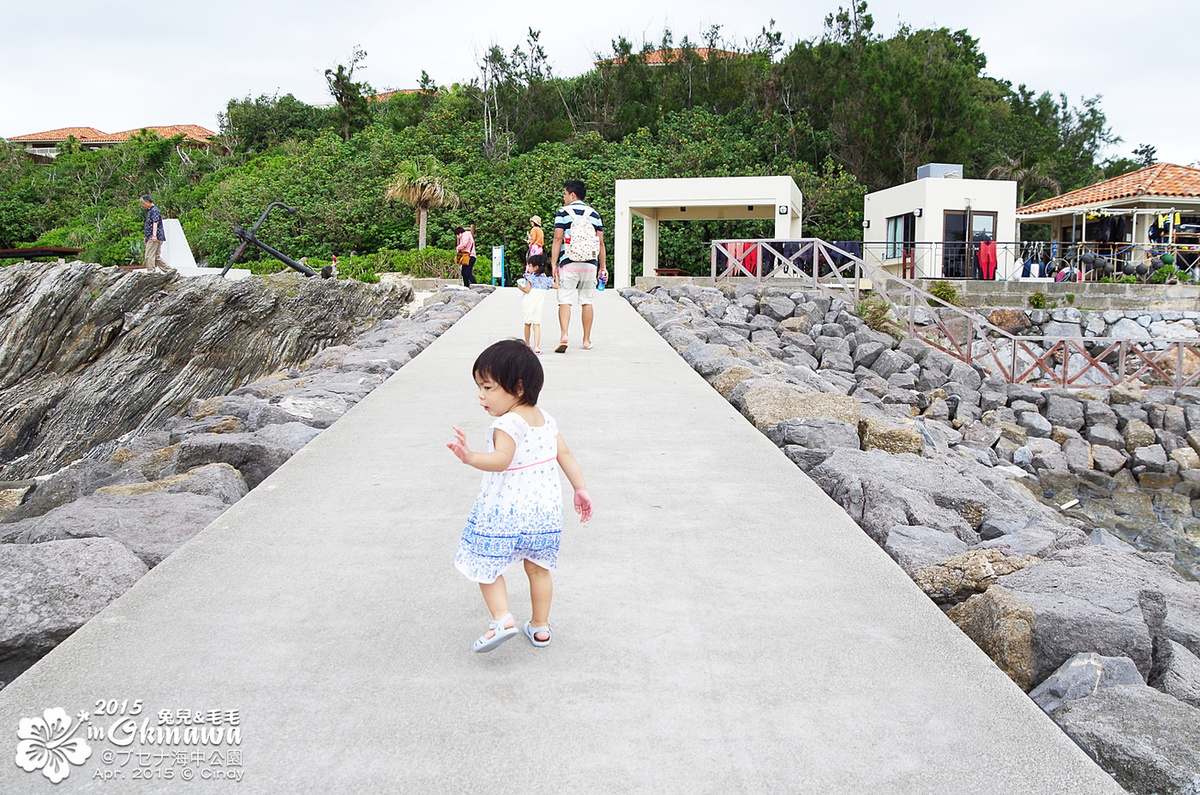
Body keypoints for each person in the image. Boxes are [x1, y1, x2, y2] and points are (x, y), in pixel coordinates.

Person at [447, 340, 593, 652]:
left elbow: (501, 460)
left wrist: (470, 456)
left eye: (488, 387)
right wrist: (580, 489)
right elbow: (563, 452)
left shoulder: (507, 423)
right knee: (539, 569)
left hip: (506, 513)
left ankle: (502, 619)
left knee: (484, 564)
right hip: (545, 515)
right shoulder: (544, 418)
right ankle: (540, 627)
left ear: (518, 386)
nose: (480, 395)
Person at [550, 180, 607, 353]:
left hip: (569, 262)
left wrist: (553, 263)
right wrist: (602, 267)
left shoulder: (562, 213)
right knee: (587, 301)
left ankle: (564, 335)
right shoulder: (595, 214)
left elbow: (558, 238)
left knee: (565, 300)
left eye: (565, 194)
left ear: (572, 194)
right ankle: (586, 340)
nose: (564, 198)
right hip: (589, 264)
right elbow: (601, 243)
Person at [517, 254, 553, 354]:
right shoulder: (546, 280)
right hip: (538, 306)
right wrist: (556, 275)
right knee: (536, 325)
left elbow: (527, 290)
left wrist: (520, 288)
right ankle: (537, 346)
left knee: (527, 324)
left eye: (530, 265)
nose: (528, 267)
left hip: (528, 304)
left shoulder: (530, 278)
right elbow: (556, 285)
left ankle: (527, 344)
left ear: (536, 267)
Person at [140, 195, 173, 273]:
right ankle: (169, 270)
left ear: (147, 202)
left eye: (143, 203)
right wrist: (146, 237)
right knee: (156, 256)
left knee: (149, 256)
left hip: (155, 236)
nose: (142, 205)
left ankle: (151, 272)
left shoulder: (154, 210)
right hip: (153, 236)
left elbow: (155, 222)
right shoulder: (151, 211)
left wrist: (154, 235)